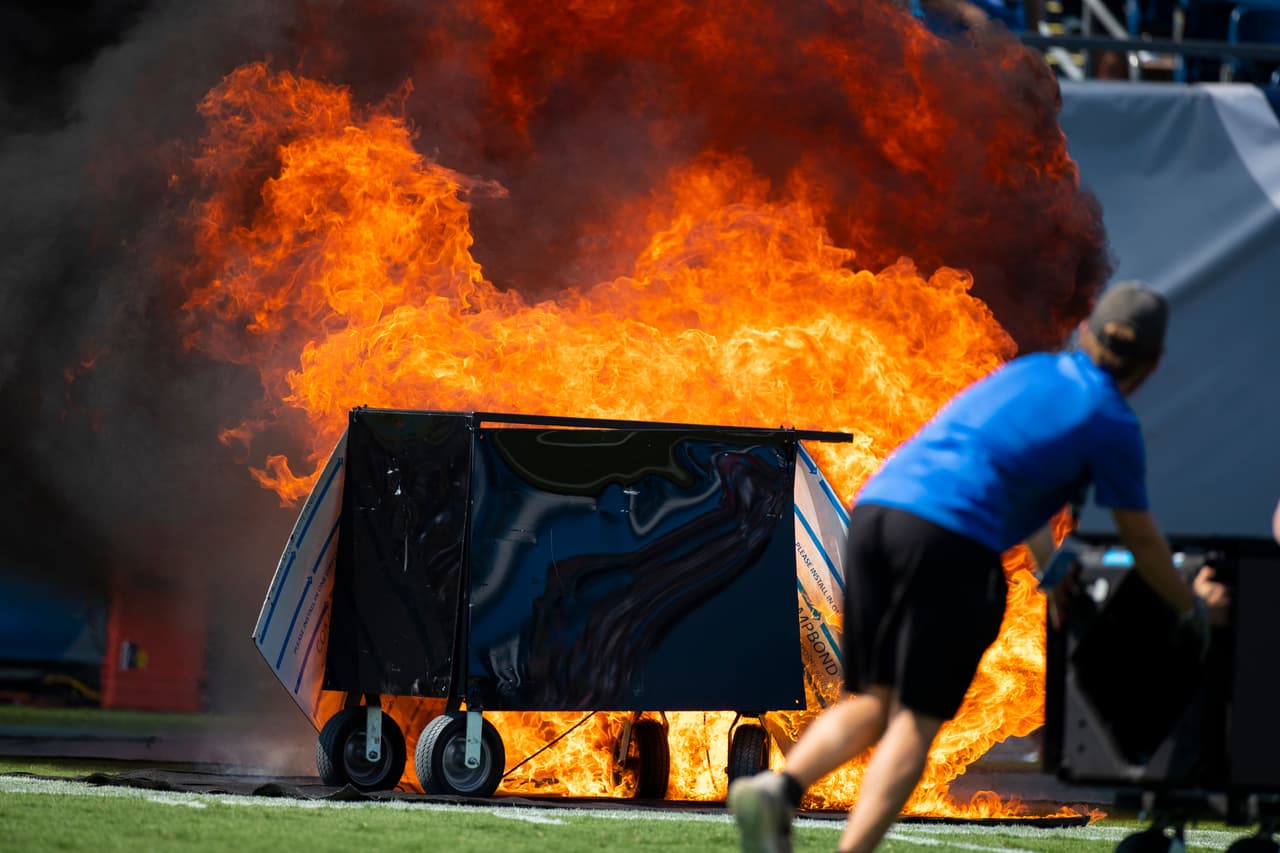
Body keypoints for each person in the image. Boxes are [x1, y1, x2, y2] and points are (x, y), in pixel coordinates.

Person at [727, 280, 1232, 853]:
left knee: (873, 699)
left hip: (877, 514)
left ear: (1088, 332)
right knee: (915, 722)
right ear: (1154, 362)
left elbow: (1011, 476)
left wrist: (1053, 570)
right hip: (951, 541)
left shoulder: (1031, 373)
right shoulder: (1111, 421)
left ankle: (777, 789)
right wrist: (1191, 608)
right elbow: (1139, 535)